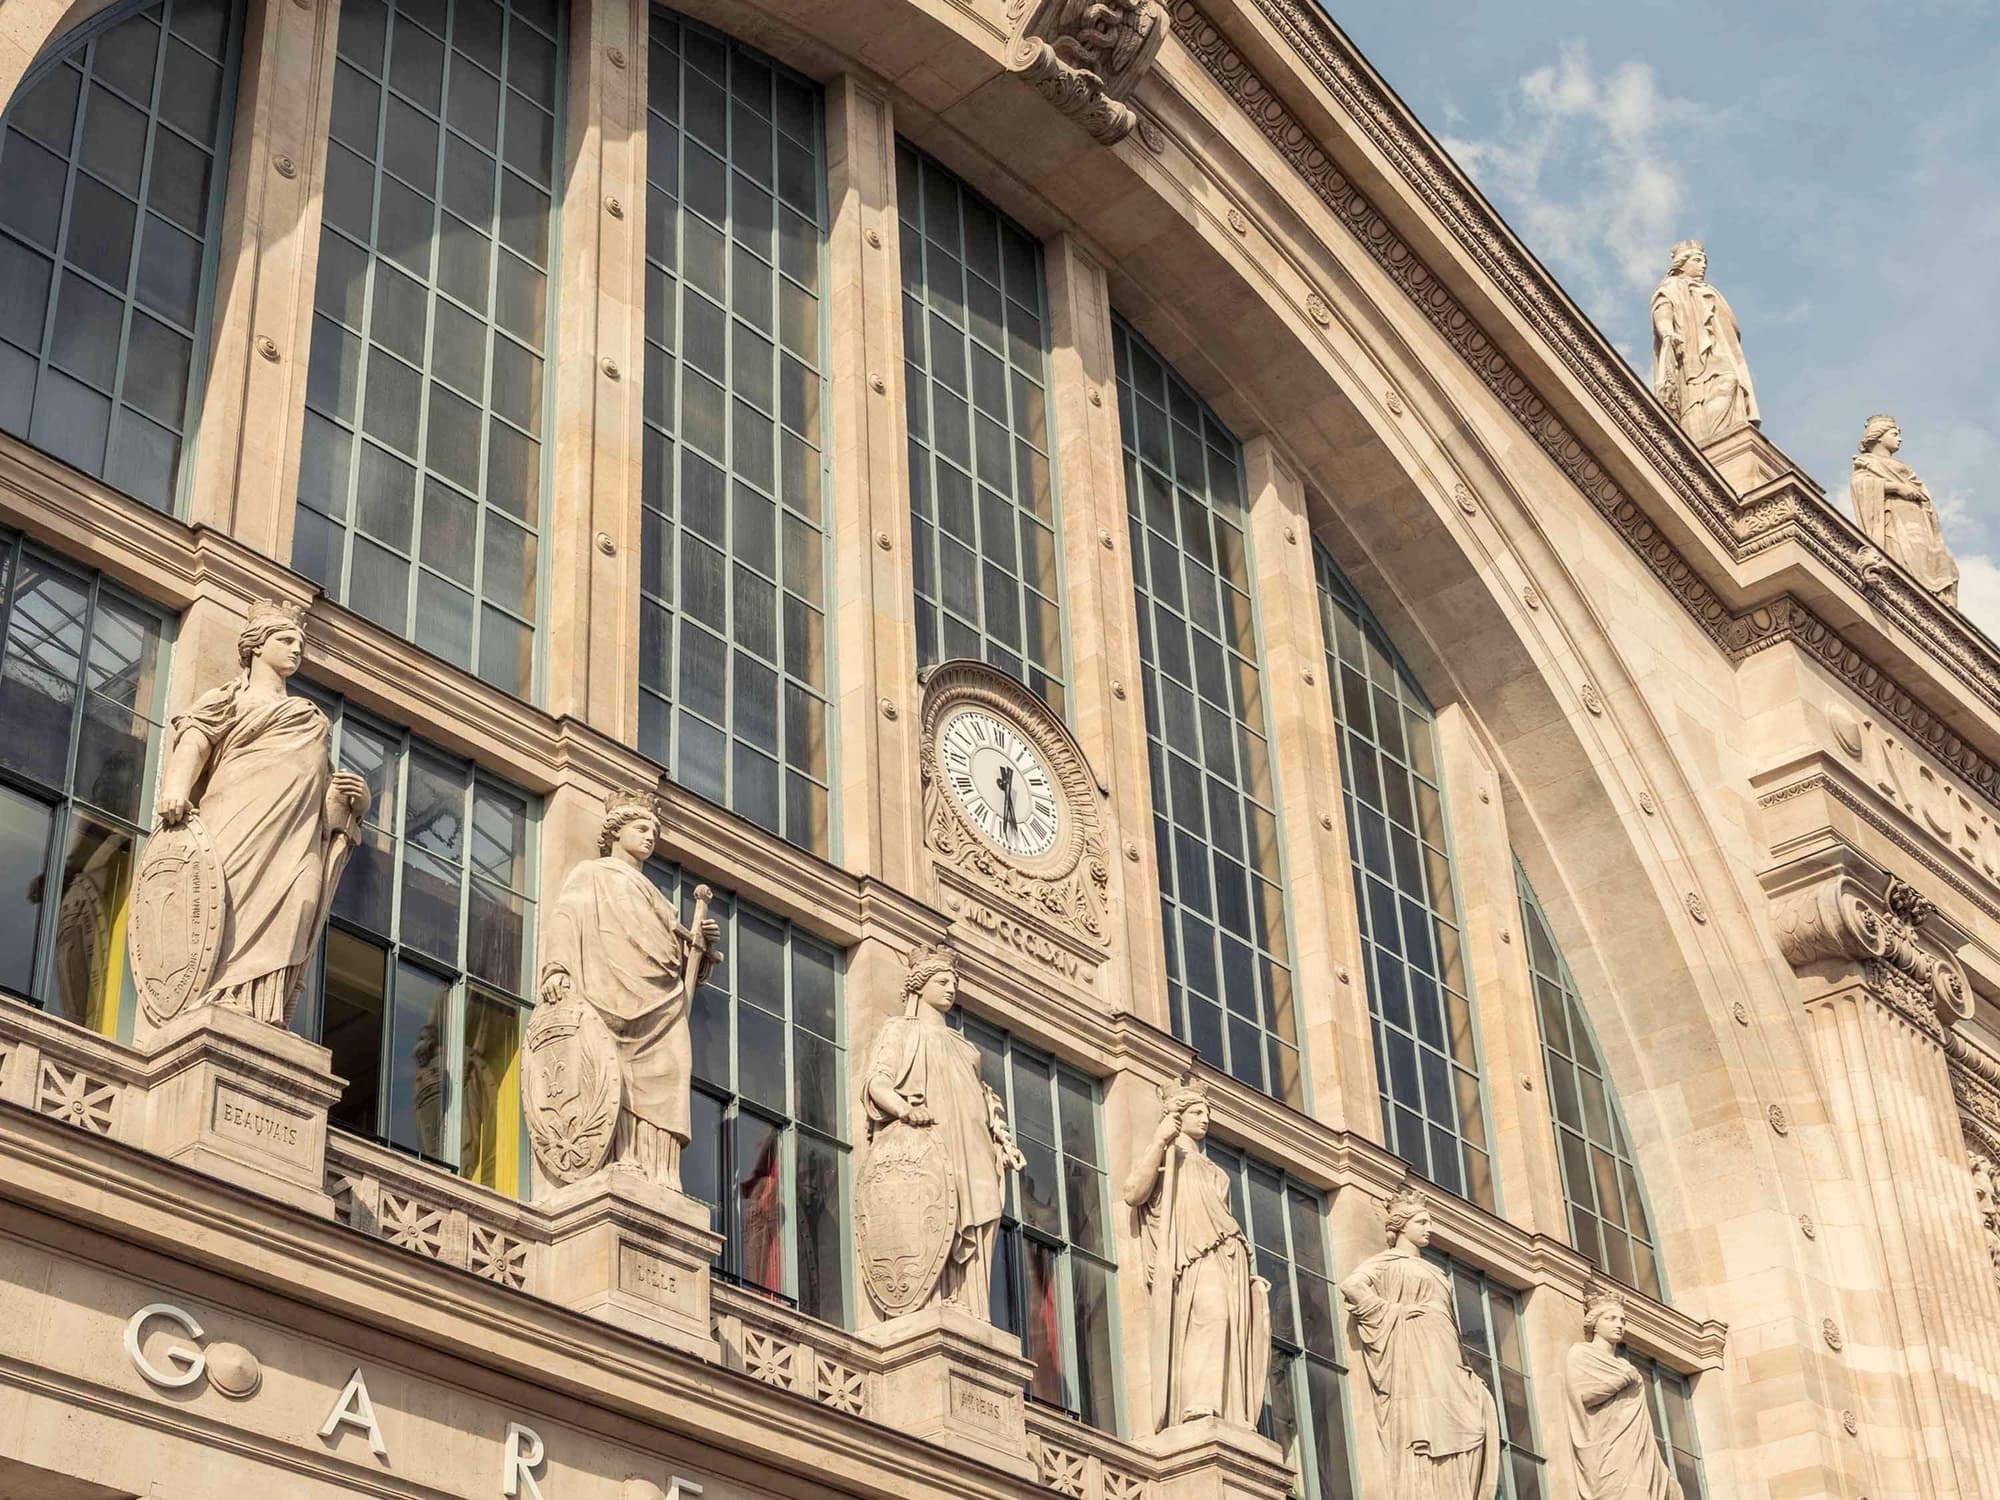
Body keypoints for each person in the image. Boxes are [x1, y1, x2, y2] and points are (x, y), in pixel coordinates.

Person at [153, 599, 368, 1024]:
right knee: (225, 907)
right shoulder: (226, 700)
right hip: (237, 819)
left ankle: (260, 1006)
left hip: (297, 835)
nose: (295, 650)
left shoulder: (309, 716)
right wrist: (176, 789)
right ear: (256, 646)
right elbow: (193, 744)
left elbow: (317, 790)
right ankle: (220, 993)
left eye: (300, 644)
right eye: (285, 640)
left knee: (302, 901)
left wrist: (352, 801)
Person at [537, 792, 721, 1191]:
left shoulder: (656, 897)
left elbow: (677, 955)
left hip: (661, 1001)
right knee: (610, 1071)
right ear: (616, 832)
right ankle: (619, 1158)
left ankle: (661, 1171)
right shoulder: (592, 874)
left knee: (670, 1070)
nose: (650, 837)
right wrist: (557, 968)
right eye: (641, 828)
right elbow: (567, 917)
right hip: (609, 990)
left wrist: (701, 948)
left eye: (654, 830)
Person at [861, 942, 1024, 1317]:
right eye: (942, 980)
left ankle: (972, 1302)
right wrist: (904, 1110)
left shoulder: (965, 1048)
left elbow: (984, 1103)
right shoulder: (899, 1031)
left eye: (953, 982)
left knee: (982, 1211)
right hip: (932, 1143)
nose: (951, 988)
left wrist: (1001, 1137)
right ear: (919, 985)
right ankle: (934, 1301)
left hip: (975, 1144)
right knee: (938, 1211)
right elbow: (877, 1083)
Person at [1122, 1078, 1271, 1432]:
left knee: (1229, 1327)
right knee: (1211, 1316)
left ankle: (1226, 1409)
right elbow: (1133, 1193)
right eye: (1197, 1112)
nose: (1205, 1119)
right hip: (1191, 1258)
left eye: (1207, 1112)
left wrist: (1249, 1275)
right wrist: (1159, 1140)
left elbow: (1224, 1218)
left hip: (1227, 1255)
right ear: (1179, 1115)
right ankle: (1197, 1403)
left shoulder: (1217, 1173)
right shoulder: (1168, 1157)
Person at [1339, 1186, 1499, 1500]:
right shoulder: (1387, 1262)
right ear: (1401, 1225)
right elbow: (1352, 1285)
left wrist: (1465, 1368)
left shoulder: (1436, 1271)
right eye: (1421, 1222)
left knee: (1469, 1422)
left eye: (1429, 1222)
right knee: (1425, 1426)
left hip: (1446, 1355)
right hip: (1416, 1350)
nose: (1429, 1229)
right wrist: (1393, 1311)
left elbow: (1453, 1328)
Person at [1567, 1288, 1683, 1500]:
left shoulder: (1624, 1364)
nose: (1619, 1324)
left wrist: (1658, 1467)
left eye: (1622, 1320)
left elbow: (1643, 1424)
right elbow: (1584, 1397)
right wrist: (1620, 1380)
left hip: (1636, 1447)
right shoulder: (1582, 1353)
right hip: (1606, 1447)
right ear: (1595, 1324)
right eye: (1611, 1318)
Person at [1650, 241, 1758, 444]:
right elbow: (1662, 308)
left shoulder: (1709, 291)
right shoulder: (1671, 287)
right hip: (1690, 354)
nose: (1703, 266)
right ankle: (1708, 441)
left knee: (1730, 382)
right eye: (1697, 260)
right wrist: (1667, 333)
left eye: (1704, 261)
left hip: (1716, 350)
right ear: (1682, 263)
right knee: (1704, 395)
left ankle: (1724, 439)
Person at [1851, 415, 1959, 604]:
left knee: (1942, 564)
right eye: (1894, 434)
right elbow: (1860, 484)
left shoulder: (1903, 468)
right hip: (1895, 520)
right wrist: (1896, 487)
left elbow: (1922, 493)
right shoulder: (1869, 463)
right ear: (1879, 437)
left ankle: (1935, 603)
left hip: (1919, 521)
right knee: (1903, 559)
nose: (1899, 438)